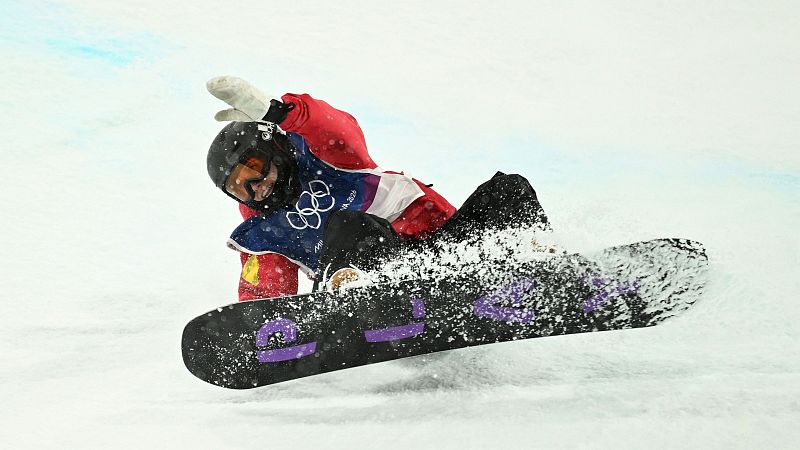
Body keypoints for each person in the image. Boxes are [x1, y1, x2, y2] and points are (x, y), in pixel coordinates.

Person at [206, 76, 552, 301]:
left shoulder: (327, 154)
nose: (256, 188)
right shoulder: (264, 230)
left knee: (509, 189)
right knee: (347, 224)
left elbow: (334, 125)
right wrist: (257, 326)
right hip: (385, 278)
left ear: (275, 150)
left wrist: (279, 113)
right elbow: (265, 291)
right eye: (240, 188)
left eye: (253, 170)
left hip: (447, 256)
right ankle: (351, 295)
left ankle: (542, 264)